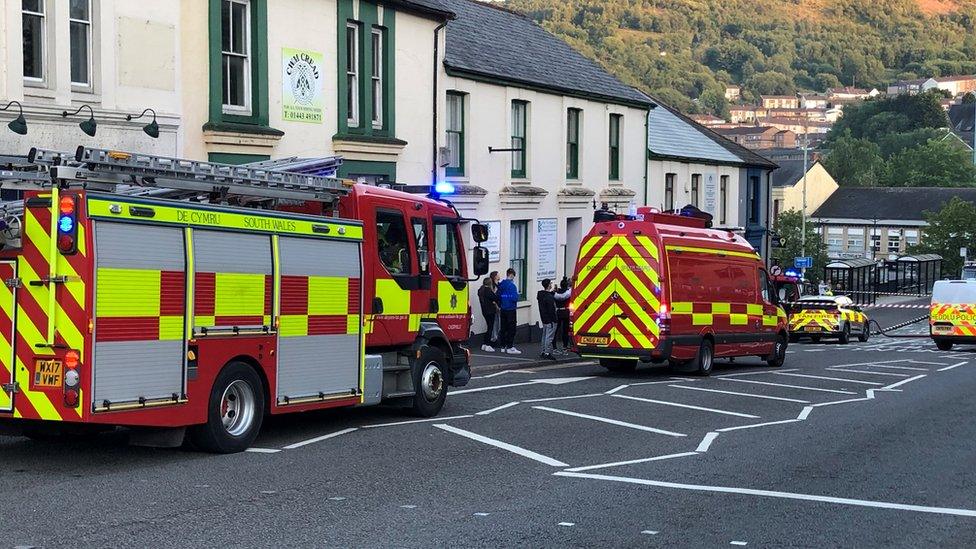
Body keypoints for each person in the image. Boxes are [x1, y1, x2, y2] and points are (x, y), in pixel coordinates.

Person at [497, 268, 521, 354]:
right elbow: (515, 298)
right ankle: (510, 346)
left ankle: (503, 346)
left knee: (503, 328)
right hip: (511, 309)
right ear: (511, 275)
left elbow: (499, 295)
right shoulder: (512, 286)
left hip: (503, 308)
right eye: (513, 276)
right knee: (511, 328)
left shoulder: (502, 284)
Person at [537, 279, 558, 361]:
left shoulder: (541, 295)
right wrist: (555, 320)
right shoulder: (549, 298)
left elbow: (548, 296)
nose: (551, 284)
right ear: (549, 285)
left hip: (544, 318)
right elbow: (552, 310)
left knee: (544, 335)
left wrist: (552, 292)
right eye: (550, 283)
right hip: (550, 319)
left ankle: (543, 351)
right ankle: (547, 353)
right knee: (549, 337)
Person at [477, 275, 500, 352]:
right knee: (490, 328)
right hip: (490, 311)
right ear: (490, 283)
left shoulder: (480, 290)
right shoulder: (488, 290)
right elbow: (496, 298)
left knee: (488, 327)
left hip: (484, 311)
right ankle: (488, 345)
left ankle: (484, 344)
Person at [553, 277, 572, 352]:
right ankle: (565, 347)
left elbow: (556, 297)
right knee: (565, 330)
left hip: (558, 312)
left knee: (555, 330)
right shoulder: (569, 292)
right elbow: (565, 296)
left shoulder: (556, 292)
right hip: (566, 312)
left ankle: (554, 347)